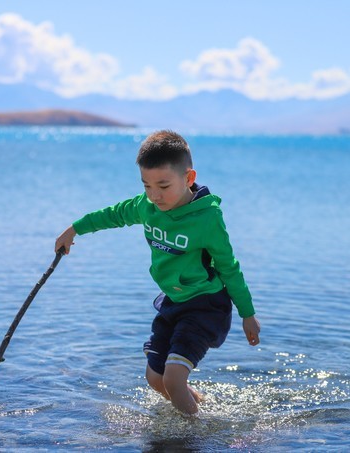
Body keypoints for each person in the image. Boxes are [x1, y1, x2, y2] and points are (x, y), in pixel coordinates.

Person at [54, 130, 260, 415]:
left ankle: (192, 436)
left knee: (174, 379)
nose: (154, 195)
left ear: (188, 178)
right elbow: (112, 215)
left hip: (205, 305)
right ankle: (200, 409)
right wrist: (74, 229)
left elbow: (229, 266)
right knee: (155, 379)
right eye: (147, 185)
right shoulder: (147, 206)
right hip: (172, 302)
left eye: (163, 186)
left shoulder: (207, 219)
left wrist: (247, 314)